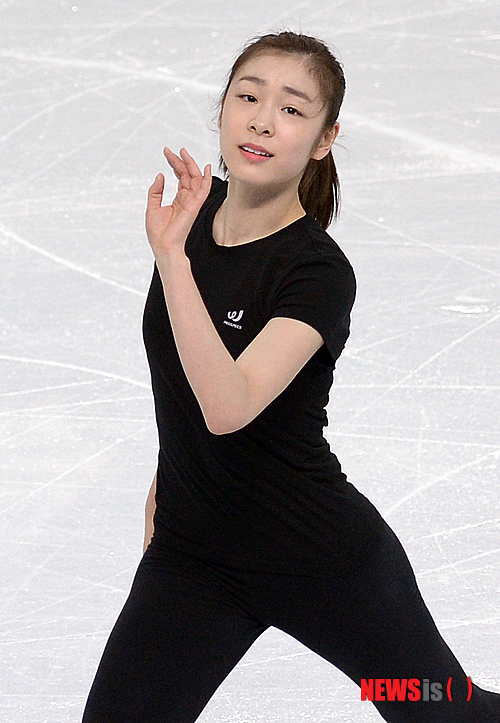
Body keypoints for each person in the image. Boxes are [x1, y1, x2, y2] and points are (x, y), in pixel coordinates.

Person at [81, 30, 500, 723]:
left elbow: (228, 405)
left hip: (320, 557)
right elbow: (179, 385)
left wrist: (173, 262)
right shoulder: (191, 218)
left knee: (447, 710)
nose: (263, 120)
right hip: (194, 557)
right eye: (248, 97)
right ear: (222, 109)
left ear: (324, 139)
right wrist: (165, 492)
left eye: (293, 109)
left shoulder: (317, 272)